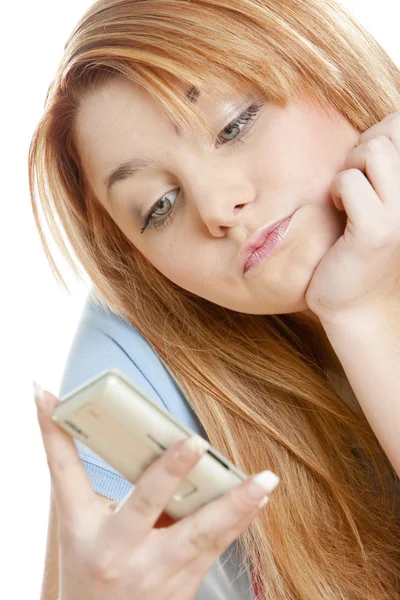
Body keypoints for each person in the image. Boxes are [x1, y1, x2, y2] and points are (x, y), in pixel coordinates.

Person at [29, 0, 400, 598]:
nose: (214, 206)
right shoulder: (131, 374)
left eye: (233, 125)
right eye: (159, 207)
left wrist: (365, 312)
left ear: (325, 63)